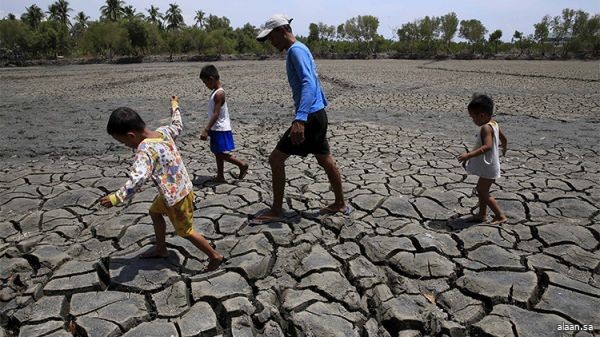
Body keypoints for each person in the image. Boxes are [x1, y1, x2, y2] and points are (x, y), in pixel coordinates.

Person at [99, 96, 224, 271]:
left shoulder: (145, 150)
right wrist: (175, 106)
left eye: (124, 142)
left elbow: (138, 178)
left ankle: (214, 256)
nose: (127, 145)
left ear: (131, 135)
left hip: (176, 198)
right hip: (179, 190)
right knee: (154, 212)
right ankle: (161, 248)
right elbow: (177, 125)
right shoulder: (163, 131)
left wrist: (116, 198)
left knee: (186, 231)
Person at [254, 14, 352, 223]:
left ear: (282, 31)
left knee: (276, 159)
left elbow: (308, 83)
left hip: (309, 117)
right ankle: (340, 203)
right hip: (317, 114)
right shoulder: (302, 48)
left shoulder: (295, 51)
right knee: (324, 158)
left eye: (271, 37)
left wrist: (300, 119)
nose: (270, 42)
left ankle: (276, 211)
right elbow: (315, 82)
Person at [458, 93, 508, 225]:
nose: (473, 120)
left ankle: (500, 215)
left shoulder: (486, 127)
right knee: (481, 189)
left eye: (473, 117)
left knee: (483, 191)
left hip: (489, 166)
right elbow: (503, 138)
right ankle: (482, 214)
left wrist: (468, 155)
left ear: (481, 116)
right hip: (491, 164)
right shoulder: (494, 124)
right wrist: (504, 147)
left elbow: (487, 146)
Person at [199, 64, 249, 183]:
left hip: (220, 128)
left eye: (206, 83)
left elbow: (216, 114)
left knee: (219, 153)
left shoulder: (219, 94)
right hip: (217, 128)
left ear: (211, 79)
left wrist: (206, 129)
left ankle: (241, 164)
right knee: (218, 152)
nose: (206, 86)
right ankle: (220, 175)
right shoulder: (215, 92)